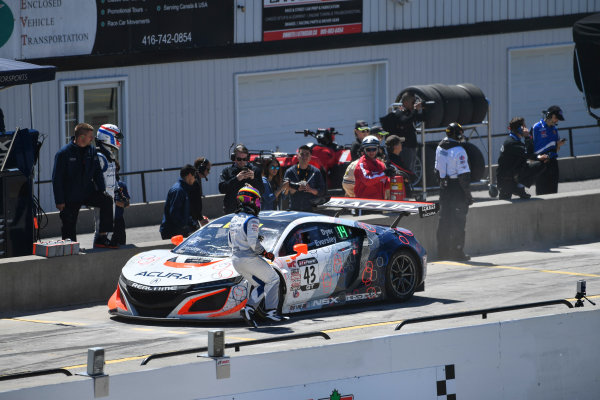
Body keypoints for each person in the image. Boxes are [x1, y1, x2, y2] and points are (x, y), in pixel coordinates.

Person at [228, 185, 287, 327]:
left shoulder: (234, 218)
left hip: (235, 259)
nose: (258, 205)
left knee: (259, 284)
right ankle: (271, 312)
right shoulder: (252, 219)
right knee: (273, 279)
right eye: (258, 202)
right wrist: (266, 253)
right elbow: (253, 245)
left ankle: (248, 309)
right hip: (249, 258)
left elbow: (231, 241)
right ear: (252, 202)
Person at [52, 123, 114, 245]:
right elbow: (56, 179)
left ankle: (102, 237)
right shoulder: (64, 153)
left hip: (87, 192)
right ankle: (70, 246)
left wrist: (101, 190)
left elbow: (97, 172)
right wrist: (59, 200)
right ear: (81, 137)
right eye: (90, 136)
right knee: (68, 223)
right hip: (70, 196)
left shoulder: (91, 150)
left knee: (106, 201)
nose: (92, 139)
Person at [435, 123, 472, 261]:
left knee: (444, 220)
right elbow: (463, 176)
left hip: (444, 187)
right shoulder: (459, 150)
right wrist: (468, 195)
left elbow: (436, 170)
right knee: (458, 222)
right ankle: (457, 252)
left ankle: (442, 252)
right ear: (457, 134)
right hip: (457, 188)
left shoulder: (439, 147)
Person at [497, 117, 549, 200]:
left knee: (540, 165)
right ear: (519, 128)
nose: (526, 128)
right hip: (506, 179)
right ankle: (518, 188)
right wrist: (527, 137)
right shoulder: (511, 143)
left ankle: (519, 187)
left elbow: (528, 154)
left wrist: (539, 157)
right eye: (524, 126)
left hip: (514, 174)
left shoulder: (514, 140)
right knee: (504, 203)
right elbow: (529, 153)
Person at [380, 91, 425, 174]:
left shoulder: (410, 112)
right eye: (413, 102)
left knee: (410, 171)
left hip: (410, 147)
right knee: (405, 171)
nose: (414, 104)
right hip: (404, 148)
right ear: (405, 102)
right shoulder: (400, 112)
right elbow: (405, 121)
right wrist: (415, 110)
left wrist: (423, 108)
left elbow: (422, 118)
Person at [94, 123, 123, 248]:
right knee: (100, 226)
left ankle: (108, 241)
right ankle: (98, 248)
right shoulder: (100, 156)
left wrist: (117, 190)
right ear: (108, 136)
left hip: (110, 195)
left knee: (110, 224)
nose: (118, 140)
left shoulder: (109, 154)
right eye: (116, 137)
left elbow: (112, 176)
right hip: (103, 196)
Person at [531, 105, 566, 195]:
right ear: (551, 116)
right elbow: (530, 146)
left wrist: (558, 145)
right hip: (541, 162)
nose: (557, 121)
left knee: (554, 192)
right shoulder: (536, 127)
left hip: (553, 163)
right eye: (556, 118)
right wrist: (532, 163)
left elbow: (556, 149)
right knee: (541, 192)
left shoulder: (554, 129)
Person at [219, 144, 263, 214]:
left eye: (244, 159)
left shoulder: (255, 171)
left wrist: (253, 179)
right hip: (232, 209)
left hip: (251, 209)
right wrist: (236, 179)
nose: (242, 161)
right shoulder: (227, 171)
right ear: (234, 158)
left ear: (248, 158)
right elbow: (222, 189)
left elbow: (262, 191)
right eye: (239, 159)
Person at [159, 164, 199, 240]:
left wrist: (192, 224)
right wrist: (185, 228)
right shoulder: (178, 190)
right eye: (195, 176)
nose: (195, 179)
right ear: (190, 175)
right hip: (172, 231)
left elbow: (184, 212)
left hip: (177, 230)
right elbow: (174, 213)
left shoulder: (184, 189)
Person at [283, 144, 326, 211]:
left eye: (307, 154)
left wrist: (310, 189)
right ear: (297, 156)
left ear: (310, 157)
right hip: (294, 209)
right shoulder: (290, 172)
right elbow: (284, 194)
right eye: (302, 154)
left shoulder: (316, 172)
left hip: (311, 210)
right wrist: (295, 188)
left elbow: (322, 191)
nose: (304, 157)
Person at [354, 135, 395, 199]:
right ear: (364, 149)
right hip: (363, 204)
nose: (371, 152)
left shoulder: (380, 164)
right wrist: (385, 173)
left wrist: (395, 179)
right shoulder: (361, 164)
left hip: (379, 203)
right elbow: (367, 180)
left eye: (374, 149)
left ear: (378, 149)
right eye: (368, 149)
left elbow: (385, 183)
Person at [112, 160, 130, 245]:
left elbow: (127, 204)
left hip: (118, 219)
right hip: (107, 219)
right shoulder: (103, 184)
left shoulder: (121, 185)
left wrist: (114, 202)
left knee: (122, 244)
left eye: (115, 169)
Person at [190, 157, 211, 227]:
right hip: (190, 219)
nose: (208, 172)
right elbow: (194, 203)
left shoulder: (195, 179)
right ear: (201, 168)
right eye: (207, 169)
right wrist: (201, 219)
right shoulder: (194, 182)